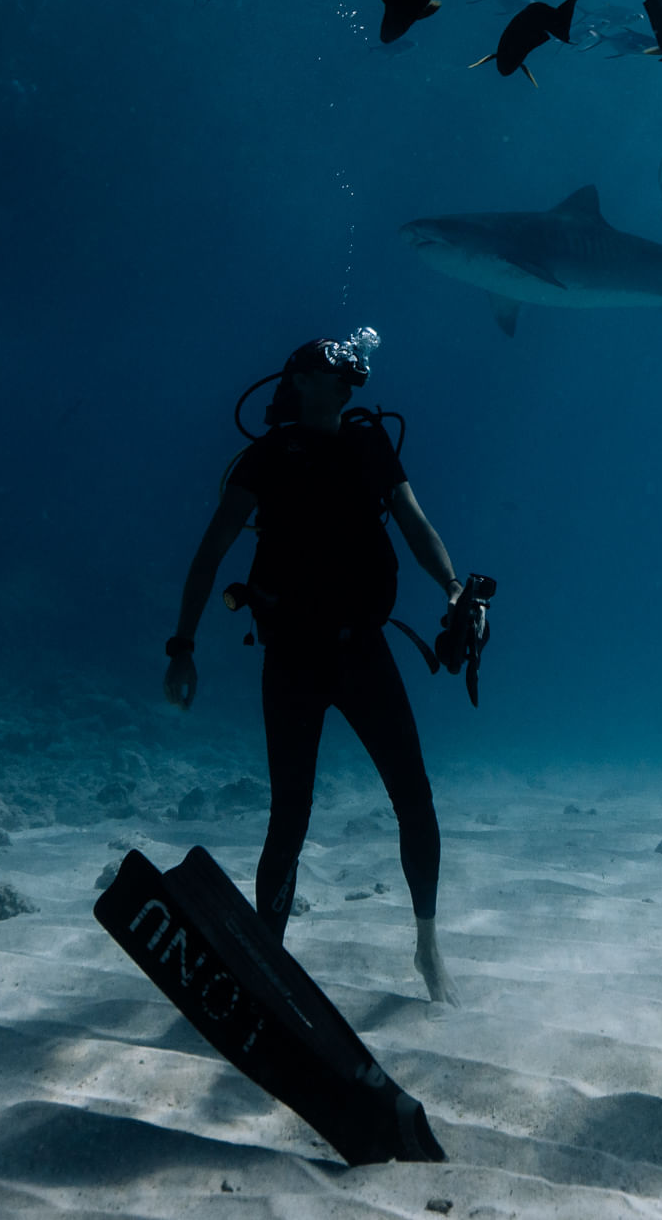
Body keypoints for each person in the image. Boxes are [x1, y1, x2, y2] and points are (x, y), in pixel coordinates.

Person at [167, 328, 475, 1002]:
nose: (347, 373)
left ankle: (427, 946)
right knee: (290, 814)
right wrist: (182, 646)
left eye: (350, 367)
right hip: (293, 655)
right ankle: (266, 965)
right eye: (331, 364)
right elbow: (210, 552)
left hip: (363, 648)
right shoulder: (267, 455)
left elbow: (417, 526)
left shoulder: (369, 444)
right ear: (299, 379)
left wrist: (453, 589)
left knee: (415, 800)